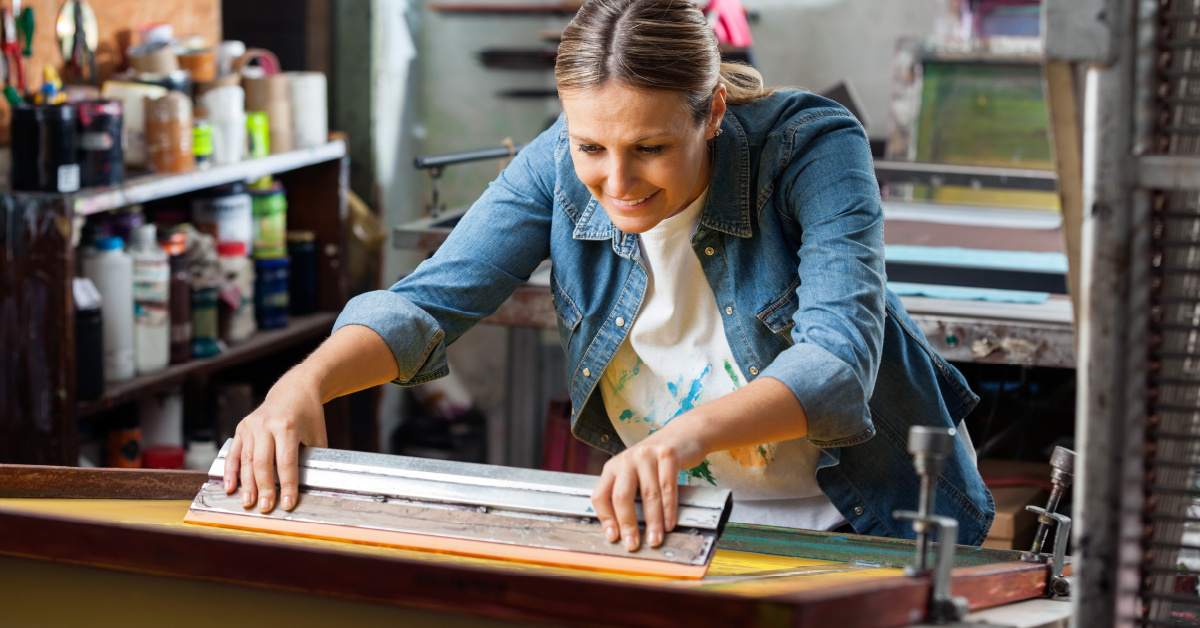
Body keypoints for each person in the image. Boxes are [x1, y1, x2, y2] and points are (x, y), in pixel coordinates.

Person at [225, 0, 994, 552]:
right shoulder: (559, 159)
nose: (617, 180)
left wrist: (677, 438)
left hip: (867, 514)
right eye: (592, 146)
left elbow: (835, 366)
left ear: (714, 110)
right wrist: (304, 382)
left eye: (651, 148)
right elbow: (429, 302)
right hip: (689, 521)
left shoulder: (812, 147)